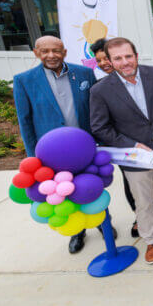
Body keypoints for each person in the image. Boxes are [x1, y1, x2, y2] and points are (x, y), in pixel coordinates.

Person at [90, 37, 153, 265]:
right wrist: (131, 145)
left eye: (128, 56)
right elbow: (100, 127)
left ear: (136, 56)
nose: (125, 61)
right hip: (134, 157)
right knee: (144, 202)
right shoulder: (100, 90)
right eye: (118, 58)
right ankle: (151, 240)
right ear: (109, 61)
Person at [14, 36, 99, 254]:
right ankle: (77, 231)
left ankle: (101, 221)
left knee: (93, 186)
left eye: (56, 51)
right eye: (45, 51)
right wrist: (33, 156)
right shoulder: (24, 80)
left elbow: (98, 108)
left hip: (85, 146)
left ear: (64, 51)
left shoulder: (84, 74)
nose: (51, 55)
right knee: (65, 190)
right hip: (52, 154)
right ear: (36, 53)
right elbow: (25, 121)